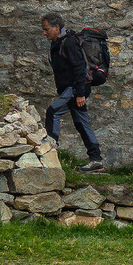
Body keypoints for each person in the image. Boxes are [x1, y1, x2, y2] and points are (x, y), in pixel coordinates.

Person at [39, 12, 104, 172]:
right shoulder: (57, 44)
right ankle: (96, 161)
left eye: (47, 29)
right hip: (71, 90)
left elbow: (79, 68)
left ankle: (50, 155)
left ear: (57, 27)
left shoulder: (68, 43)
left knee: (53, 112)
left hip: (75, 89)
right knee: (82, 123)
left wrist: (80, 93)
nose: (44, 32)